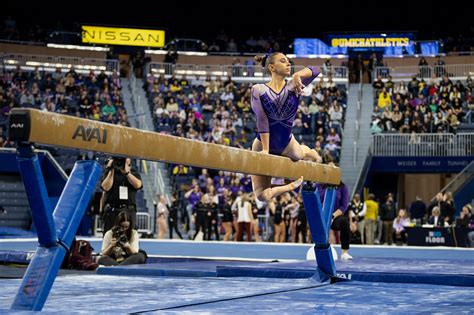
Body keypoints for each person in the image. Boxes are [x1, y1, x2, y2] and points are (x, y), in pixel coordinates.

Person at [250, 51, 322, 202]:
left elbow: (317, 69)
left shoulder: (294, 86)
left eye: (288, 61)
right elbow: (262, 120)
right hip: (262, 144)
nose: (288, 63)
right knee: (262, 195)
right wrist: (265, 150)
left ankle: (310, 151)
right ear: (272, 67)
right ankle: (289, 187)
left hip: (286, 143)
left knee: (300, 154)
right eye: (283, 61)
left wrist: (298, 75)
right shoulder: (258, 90)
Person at [100, 157, 142, 234]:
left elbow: (138, 185)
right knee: (110, 236)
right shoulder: (109, 173)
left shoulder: (134, 173)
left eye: (124, 162)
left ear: (130, 163)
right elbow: (105, 187)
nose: (120, 164)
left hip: (129, 210)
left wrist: (127, 173)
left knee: (130, 236)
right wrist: (111, 170)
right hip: (112, 210)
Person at [315, 177, 352, 260]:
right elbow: (315, 202)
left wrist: (332, 216)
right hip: (320, 215)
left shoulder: (342, 187)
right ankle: (318, 250)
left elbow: (344, 206)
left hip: (335, 216)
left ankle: (344, 252)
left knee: (345, 222)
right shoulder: (318, 185)